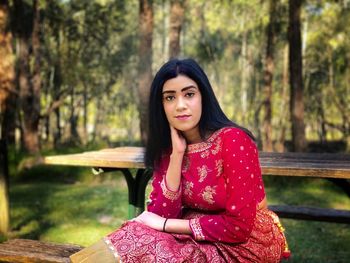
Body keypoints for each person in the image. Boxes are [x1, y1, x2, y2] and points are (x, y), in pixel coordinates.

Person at [70, 58, 290, 262]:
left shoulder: (233, 140)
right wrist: (176, 155)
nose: (180, 105)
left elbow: (238, 227)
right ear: (161, 105)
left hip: (245, 241)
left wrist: (165, 225)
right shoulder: (170, 147)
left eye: (189, 94)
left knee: (154, 248)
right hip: (193, 230)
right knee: (134, 236)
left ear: (203, 96)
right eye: (170, 97)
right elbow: (160, 212)